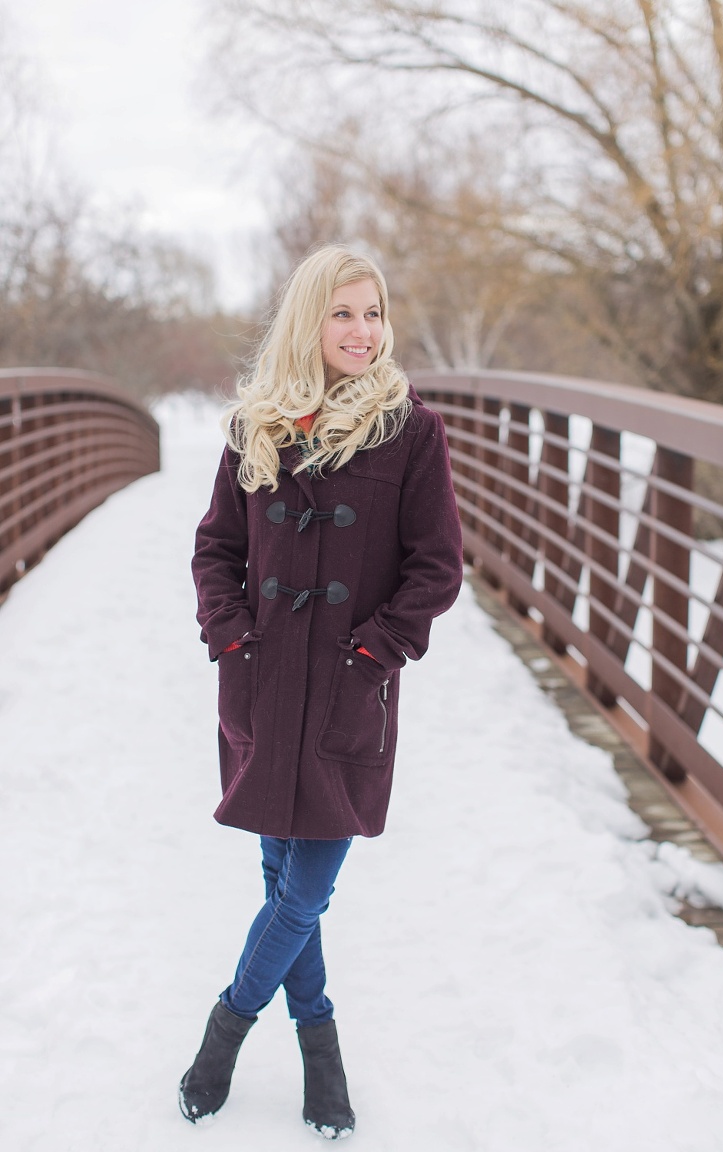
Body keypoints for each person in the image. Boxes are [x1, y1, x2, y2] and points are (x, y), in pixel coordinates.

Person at [180, 244, 463, 1139]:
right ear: (310, 318)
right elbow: (216, 551)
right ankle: (322, 1055)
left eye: (373, 312)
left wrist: (374, 652)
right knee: (281, 878)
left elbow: (438, 567)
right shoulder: (254, 429)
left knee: (301, 891)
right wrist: (230, 634)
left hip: (348, 696)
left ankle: (223, 1037)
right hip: (261, 690)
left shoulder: (410, 431)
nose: (362, 330)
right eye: (343, 312)